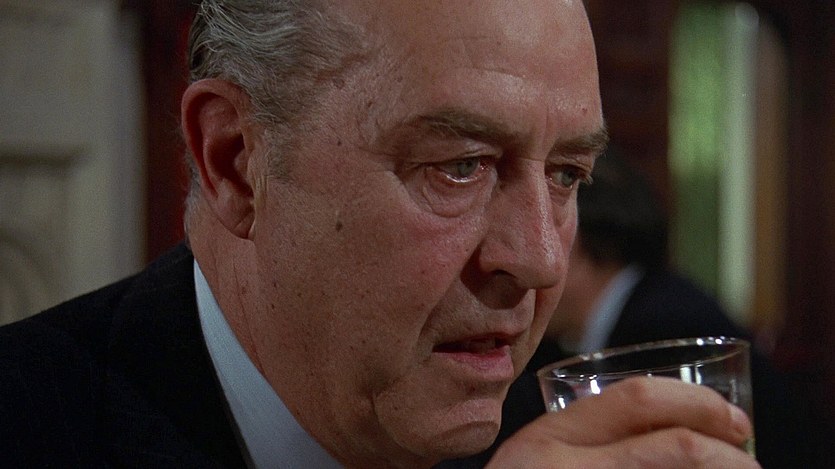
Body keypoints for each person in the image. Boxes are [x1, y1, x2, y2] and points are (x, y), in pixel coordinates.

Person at [0, 1, 759, 468]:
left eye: (566, 175)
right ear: (236, 163)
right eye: (459, 166)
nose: (538, 258)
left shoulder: (558, 440)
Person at [444, 151, 817, 468]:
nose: (536, 263)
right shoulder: (616, 318)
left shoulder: (666, 324)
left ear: (582, 243)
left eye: (565, 183)